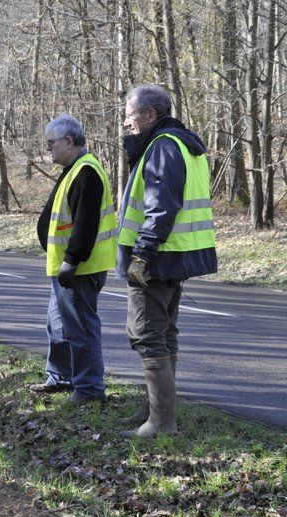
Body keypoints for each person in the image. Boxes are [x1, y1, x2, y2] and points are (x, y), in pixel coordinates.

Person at [117, 84, 217, 438]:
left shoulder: (162, 146)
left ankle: (160, 422)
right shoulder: (184, 145)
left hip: (156, 258)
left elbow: (161, 207)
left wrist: (142, 254)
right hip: (177, 254)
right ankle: (155, 413)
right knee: (164, 334)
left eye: (130, 116)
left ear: (150, 115)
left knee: (146, 335)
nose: (127, 123)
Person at [29, 115, 118, 404]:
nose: (48, 149)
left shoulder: (86, 172)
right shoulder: (73, 169)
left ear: (69, 141)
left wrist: (72, 260)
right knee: (57, 325)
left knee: (80, 328)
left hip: (80, 268)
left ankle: (89, 390)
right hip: (66, 267)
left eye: (51, 143)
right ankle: (60, 377)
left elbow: (86, 223)